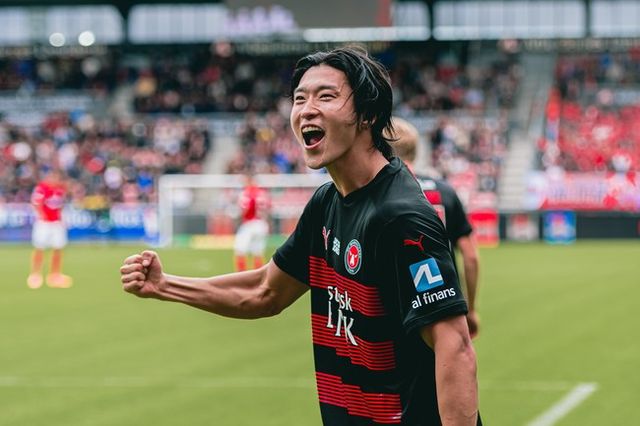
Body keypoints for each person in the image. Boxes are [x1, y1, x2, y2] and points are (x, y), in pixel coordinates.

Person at [120, 46, 480, 425]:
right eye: (299, 98)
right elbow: (265, 292)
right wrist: (165, 285)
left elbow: (454, 347)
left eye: (326, 96)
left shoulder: (400, 216)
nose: (306, 109)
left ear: (368, 114)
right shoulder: (326, 202)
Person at [390, 117, 481, 338]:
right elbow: (471, 257)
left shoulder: (381, 193)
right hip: (444, 303)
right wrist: (470, 309)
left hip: (394, 307)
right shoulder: (445, 191)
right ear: (415, 150)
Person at [27, 169, 73, 289]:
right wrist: (42, 215)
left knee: (58, 248)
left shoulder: (60, 189)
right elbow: (36, 203)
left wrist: (61, 218)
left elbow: (61, 204)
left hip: (56, 223)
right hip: (44, 223)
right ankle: (35, 274)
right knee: (39, 248)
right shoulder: (41, 188)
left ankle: (55, 275)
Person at [233, 171, 270, 271]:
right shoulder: (262, 192)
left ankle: (241, 276)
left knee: (240, 250)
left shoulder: (246, 192)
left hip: (250, 223)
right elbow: (268, 208)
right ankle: (259, 277)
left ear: (249, 180)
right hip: (261, 224)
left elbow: (245, 209)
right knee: (258, 252)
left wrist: (239, 218)